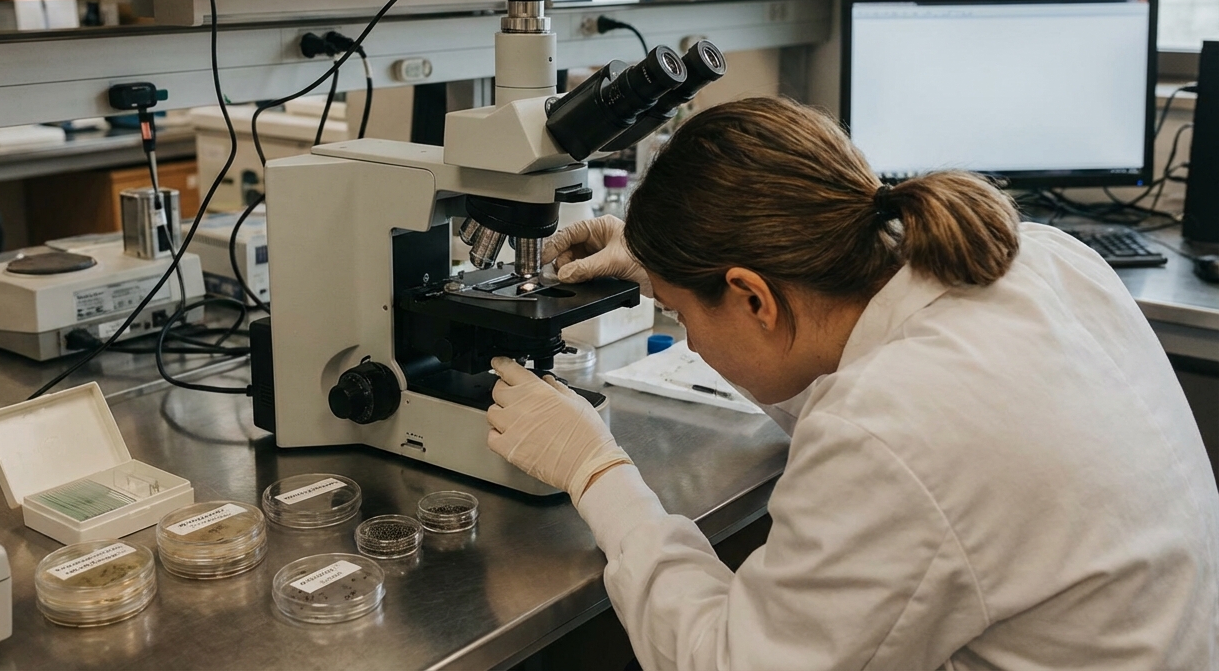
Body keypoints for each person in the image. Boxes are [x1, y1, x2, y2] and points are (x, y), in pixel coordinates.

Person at [484, 98, 1219, 670]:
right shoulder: (1042, 257)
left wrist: (600, 474)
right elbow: (853, 382)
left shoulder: (890, 431)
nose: (688, 335)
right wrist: (663, 267)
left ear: (753, 297)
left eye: (680, 315)